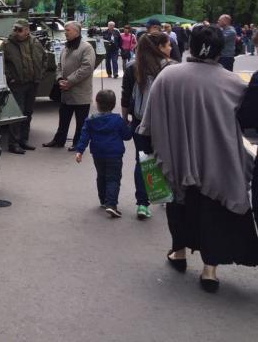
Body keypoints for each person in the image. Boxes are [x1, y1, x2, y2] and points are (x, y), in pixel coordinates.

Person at [138, 25, 258, 293]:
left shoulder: (168, 76)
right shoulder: (234, 83)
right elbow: (248, 120)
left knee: (177, 206)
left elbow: (148, 123)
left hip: (174, 159)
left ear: (189, 45)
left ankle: (178, 254)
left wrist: (147, 151)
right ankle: (209, 272)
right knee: (213, 214)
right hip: (217, 163)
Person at [120, 32, 175, 220]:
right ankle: (165, 196)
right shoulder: (170, 68)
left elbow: (126, 95)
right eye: (167, 45)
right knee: (166, 159)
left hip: (139, 122)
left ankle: (142, 204)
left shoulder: (133, 67)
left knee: (143, 160)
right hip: (165, 123)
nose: (170, 48)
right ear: (158, 48)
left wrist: (124, 118)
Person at [75, 89, 132, 218]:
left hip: (98, 154)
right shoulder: (117, 120)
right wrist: (129, 126)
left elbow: (84, 136)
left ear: (97, 103)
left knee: (101, 176)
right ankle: (111, 204)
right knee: (113, 178)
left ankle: (103, 200)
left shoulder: (90, 120)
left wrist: (80, 151)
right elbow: (127, 136)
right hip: (114, 154)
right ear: (113, 104)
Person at [43, 21, 95, 151]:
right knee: (64, 119)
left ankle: (78, 143)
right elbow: (59, 64)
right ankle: (59, 140)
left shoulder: (86, 47)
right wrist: (60, 78)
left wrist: (69, 81)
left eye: (67, 30)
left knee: (81, 121)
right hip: (66, 91)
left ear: (76, 32)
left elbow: (87, 68)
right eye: (65, 30)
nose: (65, 32)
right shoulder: (66, 47)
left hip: (80, 92)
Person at [0, 19, 48, 154]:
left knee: (28, 112)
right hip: (17, 84)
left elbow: (44, 58)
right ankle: (13, 143)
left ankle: (23, 140)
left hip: (32, 82)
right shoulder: (7, 44)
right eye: (15, 29)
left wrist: (40, 73)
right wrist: (10, 78)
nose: (16, 32)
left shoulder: (35, 42)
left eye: (19, 30)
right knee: (17, 114)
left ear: (27, 30)